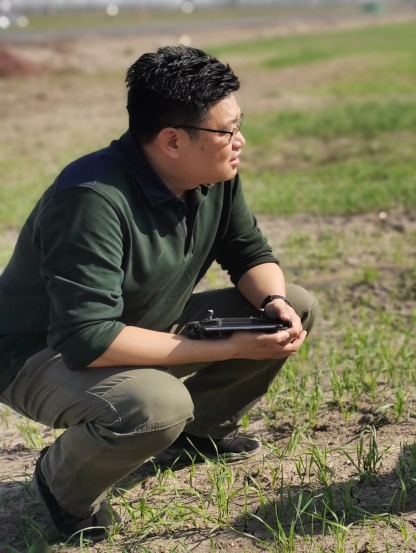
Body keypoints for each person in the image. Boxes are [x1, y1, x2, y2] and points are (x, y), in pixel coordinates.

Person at [0, 46, 318, 542]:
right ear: (172, 140)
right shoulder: (90, 200)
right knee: (156, 405)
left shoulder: (211, 176)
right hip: (40, 352)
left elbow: (248, 253)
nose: (240, 141)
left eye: (240, 125)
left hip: (133, 326)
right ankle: (61, 485)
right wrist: (231, 346)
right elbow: (87, 339)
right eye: (227, 131)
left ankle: (199, 434)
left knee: (294, 303)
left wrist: (273, 304)